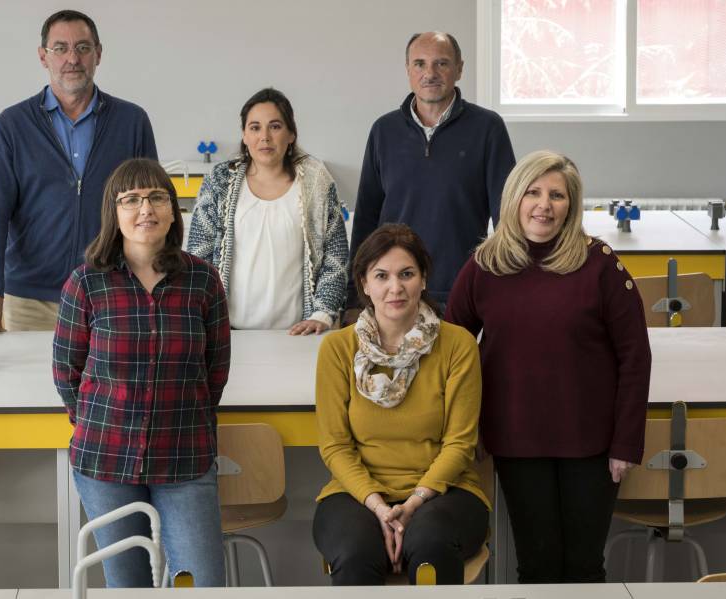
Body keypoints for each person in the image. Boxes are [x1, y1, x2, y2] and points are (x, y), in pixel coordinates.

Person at [444, 150, 652, 583]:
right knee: (537, 566)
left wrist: (626, 442)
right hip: (518, 439)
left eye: (557, 195)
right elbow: (452, 351)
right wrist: (468, 430)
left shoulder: (600, 264)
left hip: (592, 443)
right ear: (514, 199)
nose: (544, 204)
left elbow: (635, 356)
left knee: (583, 566)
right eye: (533, 192)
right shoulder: (485, 264)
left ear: (571, 206)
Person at [53, 158, 228, 587]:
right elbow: (66, 371)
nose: (145, 209)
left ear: (172, 210)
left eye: (156, 198)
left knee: (201, 583)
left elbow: (215, 371)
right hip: (106, 459)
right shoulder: (86, 282)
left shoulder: (202, 281)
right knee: (127, 585)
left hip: (184, 456)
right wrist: (105, 420)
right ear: (113, 215)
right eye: (130, 200)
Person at [312, 223, 489, 585]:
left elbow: (460, 443)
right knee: (356, 552)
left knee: (431, 544)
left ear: (423, 279)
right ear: (364, 284)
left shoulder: (457, 345)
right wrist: (378, 505)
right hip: (356, 493)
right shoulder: (338, 349)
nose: (396, 287)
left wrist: (414, 503)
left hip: (445, 491)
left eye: (407, 274)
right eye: (382, 276)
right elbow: (335, 445)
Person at [0, 9, 158, 331]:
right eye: (60, 48)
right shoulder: (12, 125)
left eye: (83, 48)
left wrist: (152, 277)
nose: (72, 58)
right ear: (43, 56)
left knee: (111, 382)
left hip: (111, 291)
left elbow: (151, 209)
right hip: (30, 300)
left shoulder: (132, 122)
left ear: (98, 54)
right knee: (26, 382)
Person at [348, 31, 516, 310]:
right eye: (420, 64)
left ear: (459, 69)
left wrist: (511, 285)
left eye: (442, 63)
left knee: (457, 356)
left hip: (461, 289)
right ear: (407, 70)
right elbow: (366, 217)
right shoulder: (383, 131)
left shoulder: (487, 128)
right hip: (393, 293)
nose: (430, 73)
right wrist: (354, 297)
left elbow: (507, 216)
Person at [187, 87, 348, 334]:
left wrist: (322, 314)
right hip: (229, 334)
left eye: (275, 126)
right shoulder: (219, 181)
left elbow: (335, 257)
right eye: (255, 127)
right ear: (244, 135)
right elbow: (198, 256)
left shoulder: (317, 182)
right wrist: (204, 317)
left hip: (299, 334)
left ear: (291, 134)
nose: (265, 137)